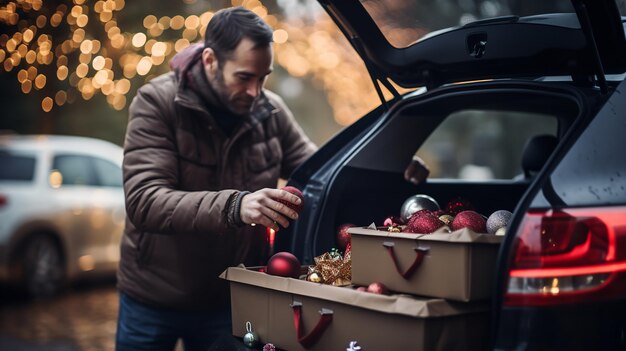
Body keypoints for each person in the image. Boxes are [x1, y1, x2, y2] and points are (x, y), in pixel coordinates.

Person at [115, 7, 317, 350]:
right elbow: (144, 200)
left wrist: (384, 163)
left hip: (229, 300)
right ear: (210, 60)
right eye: (244, 77)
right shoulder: (157, 102)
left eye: (263, 77)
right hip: (152, 298)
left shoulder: (272, 110)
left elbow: (318, 170)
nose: (255, 92)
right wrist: (236, 205)